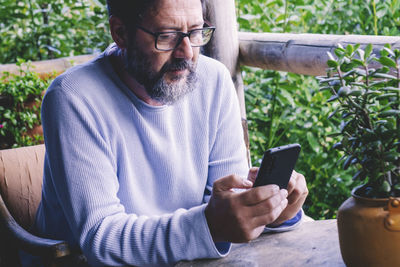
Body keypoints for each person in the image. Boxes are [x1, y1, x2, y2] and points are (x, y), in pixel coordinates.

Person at [33, 0, 308, 266]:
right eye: (167, 36)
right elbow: (102, 238)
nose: (187, 52)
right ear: (121, 33)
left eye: (197, 32)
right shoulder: (73, 98)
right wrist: (210, 225)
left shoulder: (214, 80)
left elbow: (228, 206)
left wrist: (271, 212)